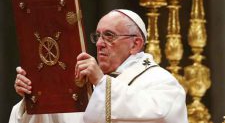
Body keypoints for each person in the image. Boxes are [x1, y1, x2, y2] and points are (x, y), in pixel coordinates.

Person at [9, 9, 188, 123]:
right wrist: (32, 99)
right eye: (98, 36)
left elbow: (161, 115)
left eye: (109, 36)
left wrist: (102, 83)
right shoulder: (83, 80)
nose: (100, 43)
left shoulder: (161, 81)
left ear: (135, 44)